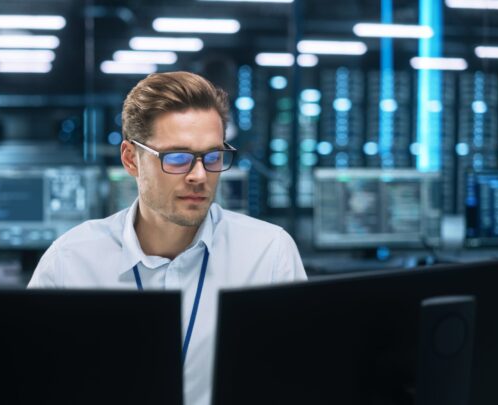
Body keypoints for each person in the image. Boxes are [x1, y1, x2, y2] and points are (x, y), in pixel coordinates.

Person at [28, 71, 307, 405]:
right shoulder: (71, 261)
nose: (199, 176)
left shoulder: (268, 253)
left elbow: (299, 382)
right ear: (131, 158)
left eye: (213, 157)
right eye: (177, 158)